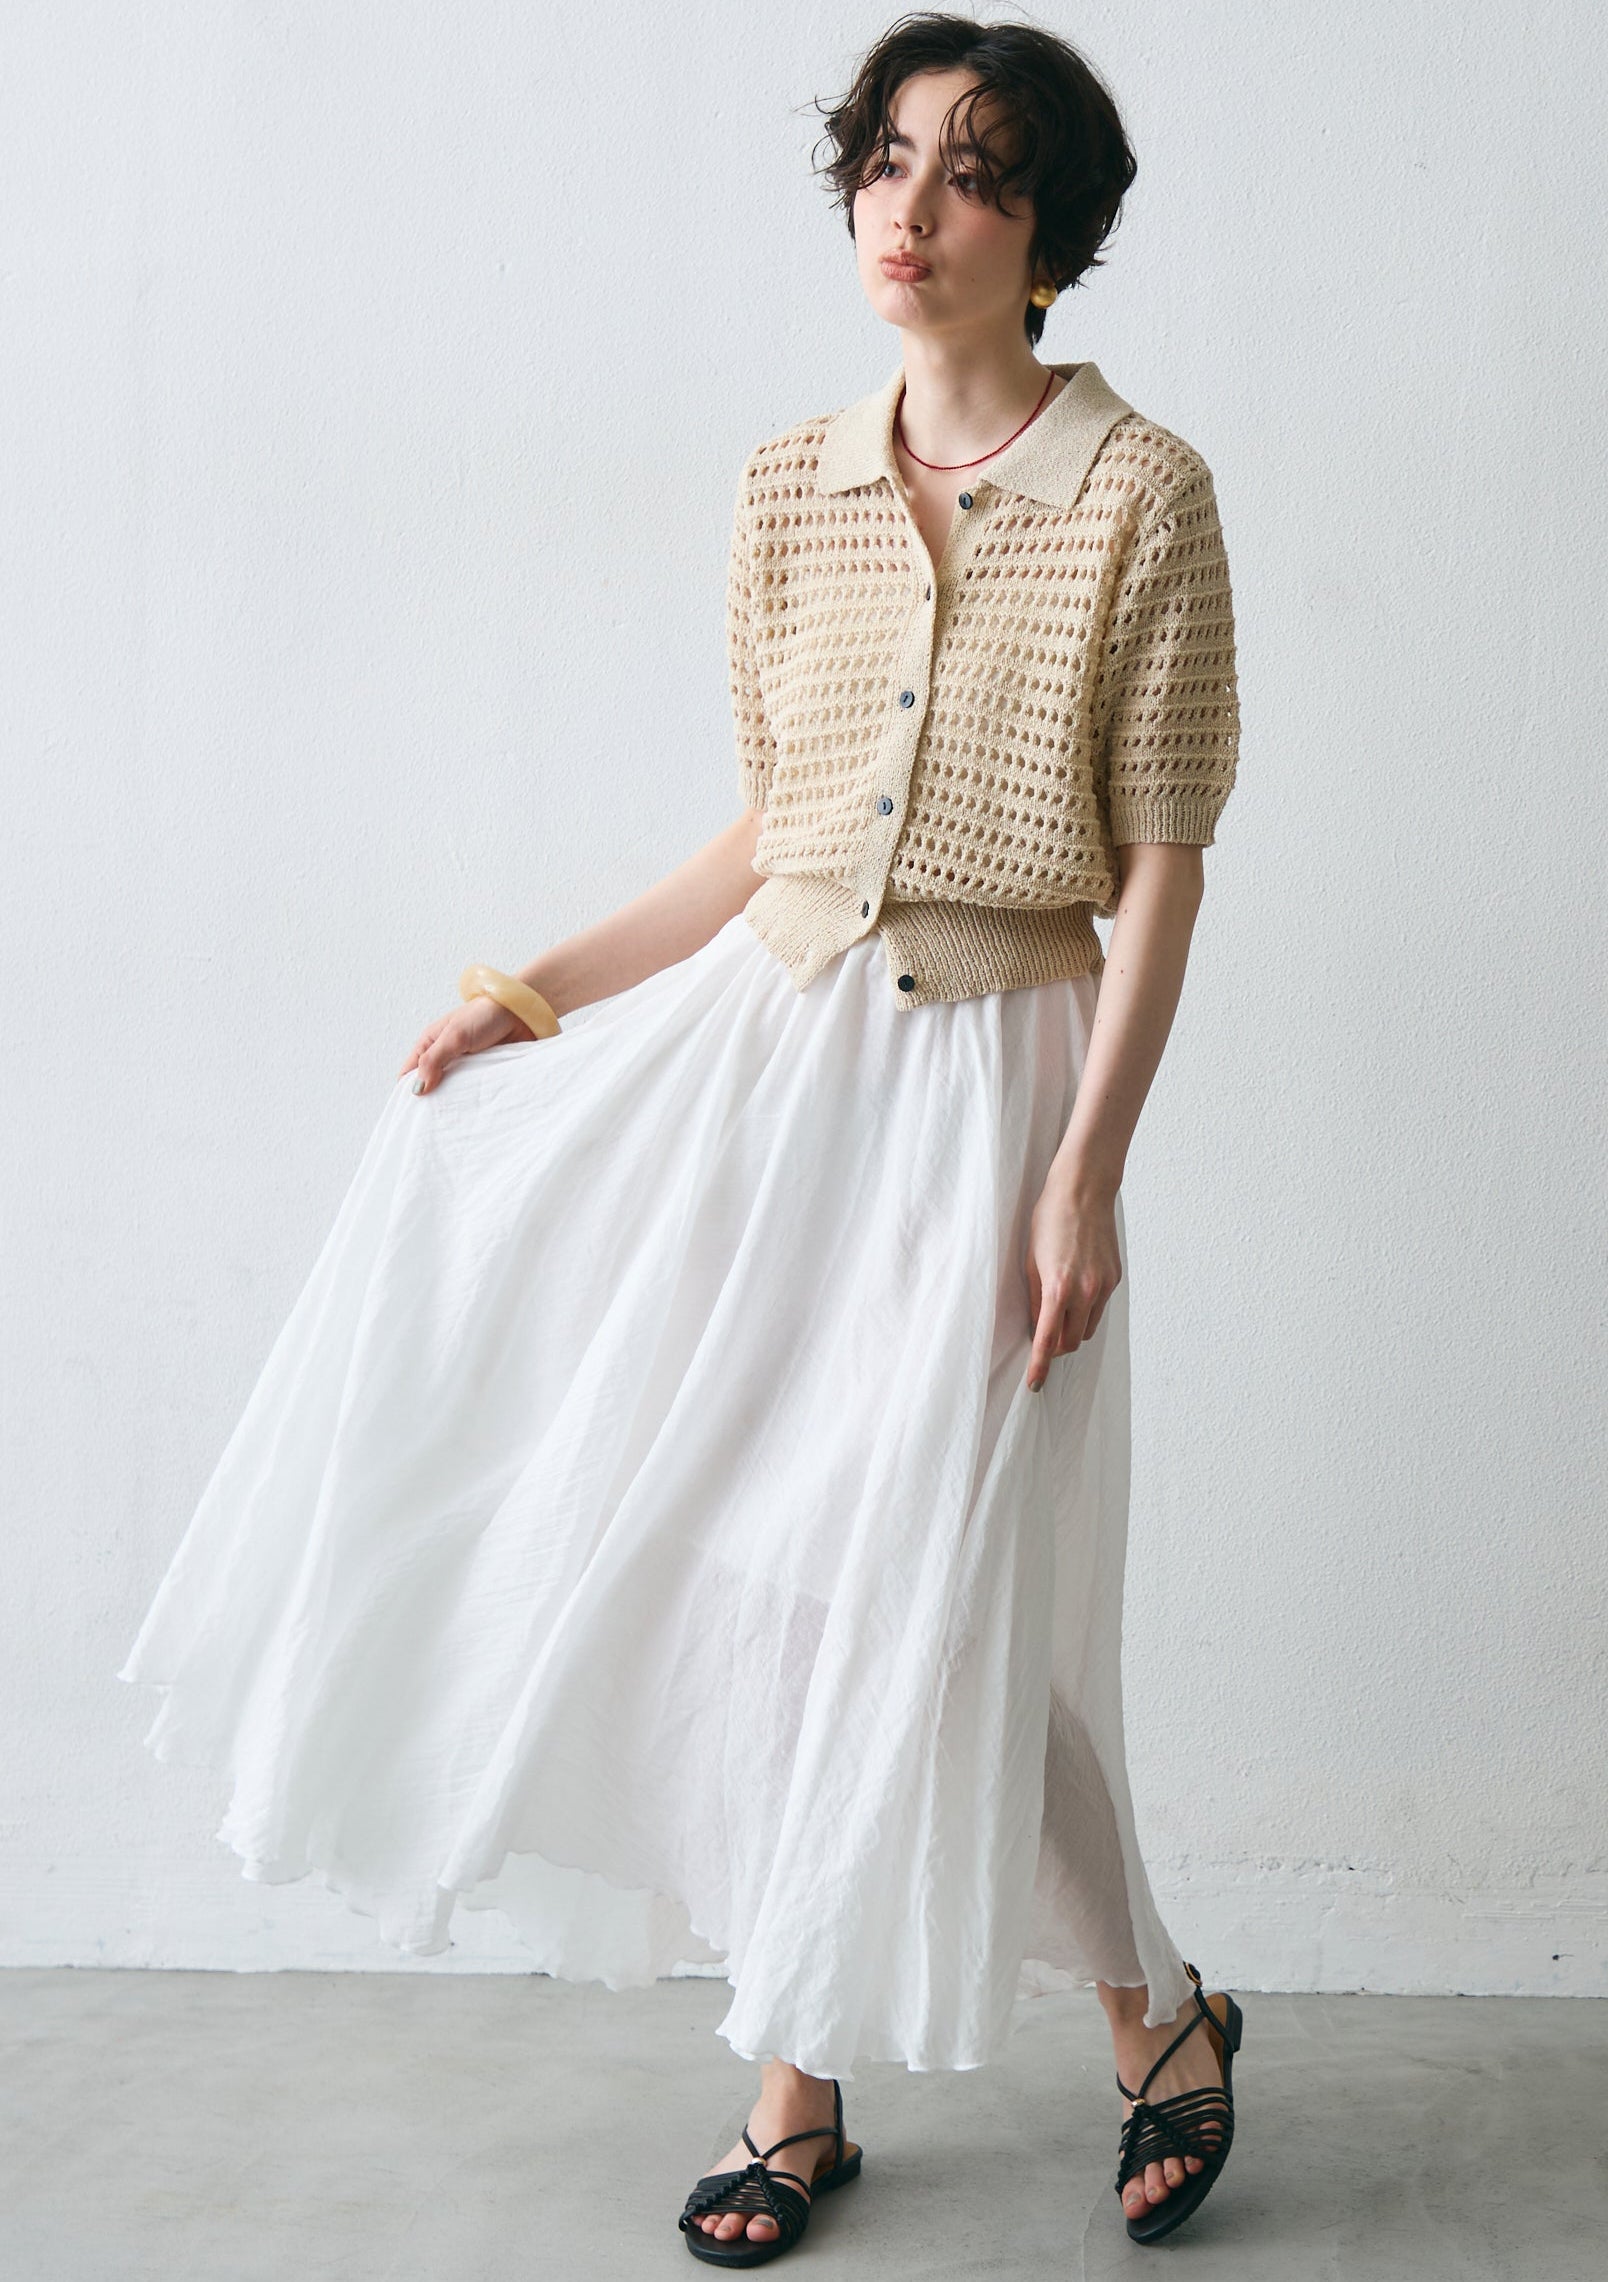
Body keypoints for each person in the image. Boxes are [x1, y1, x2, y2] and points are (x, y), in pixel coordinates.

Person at [117, 11, 1245, 2264]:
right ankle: (795, 2068)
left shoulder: (1142, 493)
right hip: (770, 1078)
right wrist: (539, 985)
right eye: (885, 161)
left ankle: (1154, 2011)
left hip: (987, 1093)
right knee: (765, 1574)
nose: (910, 210)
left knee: (939, 1590)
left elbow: (1161, 870)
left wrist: (1085, 1172)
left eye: (974, 173)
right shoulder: (786, 487)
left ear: (1051, 234)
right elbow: (769, 833)